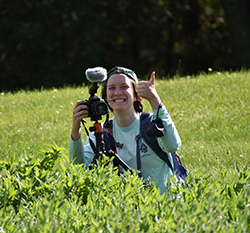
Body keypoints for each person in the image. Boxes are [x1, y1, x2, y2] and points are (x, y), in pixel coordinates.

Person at [69, 66, 181, 195]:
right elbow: (78, 169)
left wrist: (155, 100)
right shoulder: (102, 133)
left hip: (166, 208)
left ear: (135, 94)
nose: (117, 93)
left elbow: (173, 145)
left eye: (124, 87)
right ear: (105, 97)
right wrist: (75, 129)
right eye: (111, 88)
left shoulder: (153, 125)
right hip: (127, 212)